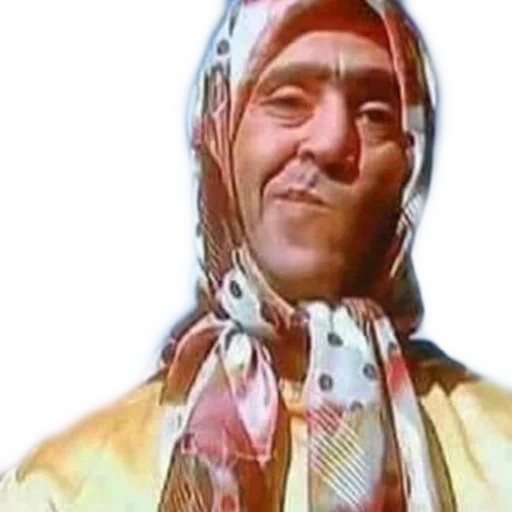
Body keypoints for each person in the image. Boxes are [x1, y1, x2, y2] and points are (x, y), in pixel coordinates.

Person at [1, 0, 510, 510]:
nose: (331, 140)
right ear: (219, 138)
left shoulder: (500, 452)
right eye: (288, 101)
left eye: (375, 114)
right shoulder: (64, 484)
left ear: (411, 165)